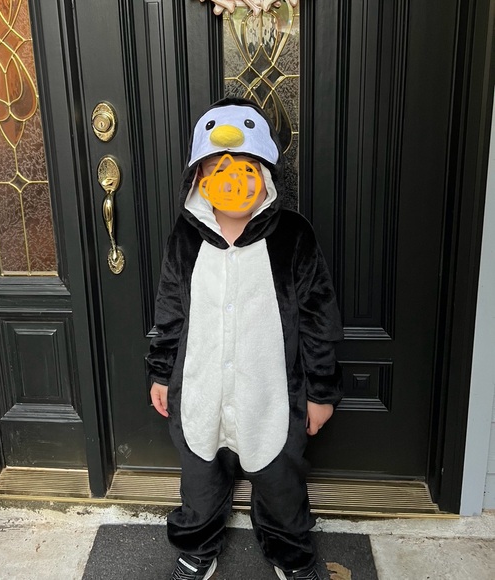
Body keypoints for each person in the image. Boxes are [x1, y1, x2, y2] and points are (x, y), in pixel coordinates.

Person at [146, 97, 343, 580]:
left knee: (281, 484)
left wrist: (320, 393)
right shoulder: (185, 237)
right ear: (198, 176)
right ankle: (197, 548)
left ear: (266, 172)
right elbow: (170, 309)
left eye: (245, 167)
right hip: (201, 393)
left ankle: (290, 553)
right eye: (216, 167)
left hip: (272, 398)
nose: (232, 179)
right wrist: (160, 372)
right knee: (200, 481)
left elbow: (319, 318)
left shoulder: (293, 237)